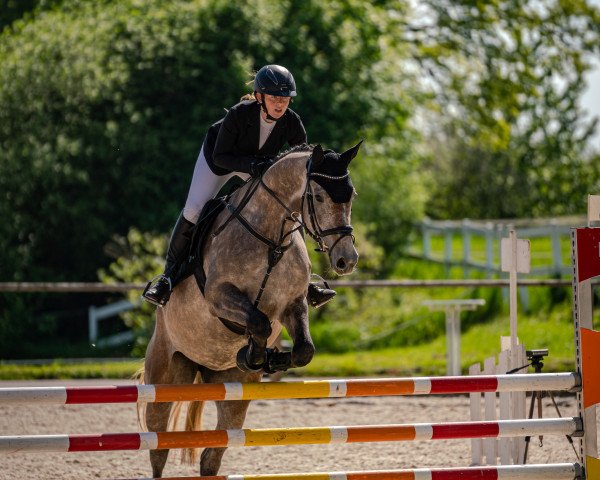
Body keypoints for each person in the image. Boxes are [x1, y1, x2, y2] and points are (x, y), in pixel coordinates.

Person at [142, 64, 336, 308]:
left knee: (286, 212)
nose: (280, 104)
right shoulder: (239, 114)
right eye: (274, 97)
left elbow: (301, 162)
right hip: (219, 160)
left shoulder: (292, 122)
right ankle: (167, 278)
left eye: (285, 99)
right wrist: (253, 165)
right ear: (259, 97)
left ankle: (304, 282)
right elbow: (221, 156)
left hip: (255, 167)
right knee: (194, 209)